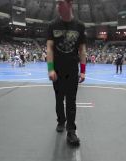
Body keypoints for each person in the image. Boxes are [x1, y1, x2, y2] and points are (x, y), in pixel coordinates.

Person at [47, 0, 86, 146]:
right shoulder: (52, 25)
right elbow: (49, 48)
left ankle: (71, 131)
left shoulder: (80, 26)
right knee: (59, 100)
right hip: (57, 70)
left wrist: (83, 71)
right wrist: (50, 68)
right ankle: (61, 121)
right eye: (57, 3)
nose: (57, 6)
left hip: (72, 70)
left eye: (61, 3)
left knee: (71, 101)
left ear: (70, 4)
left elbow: (82, 49)